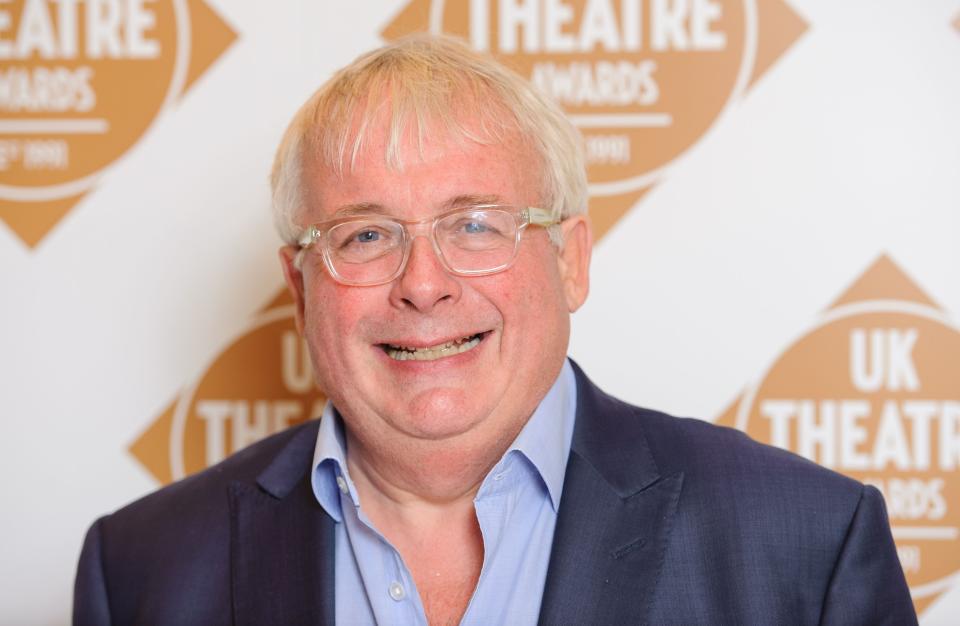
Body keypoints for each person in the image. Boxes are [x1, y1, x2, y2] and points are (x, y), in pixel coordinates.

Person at [73, 35, 917, 626]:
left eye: (475, 224)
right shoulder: (142, 571)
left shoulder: (805, 545)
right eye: (365, 235)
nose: (424, 285)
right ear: (299, 288)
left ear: (571, 261)